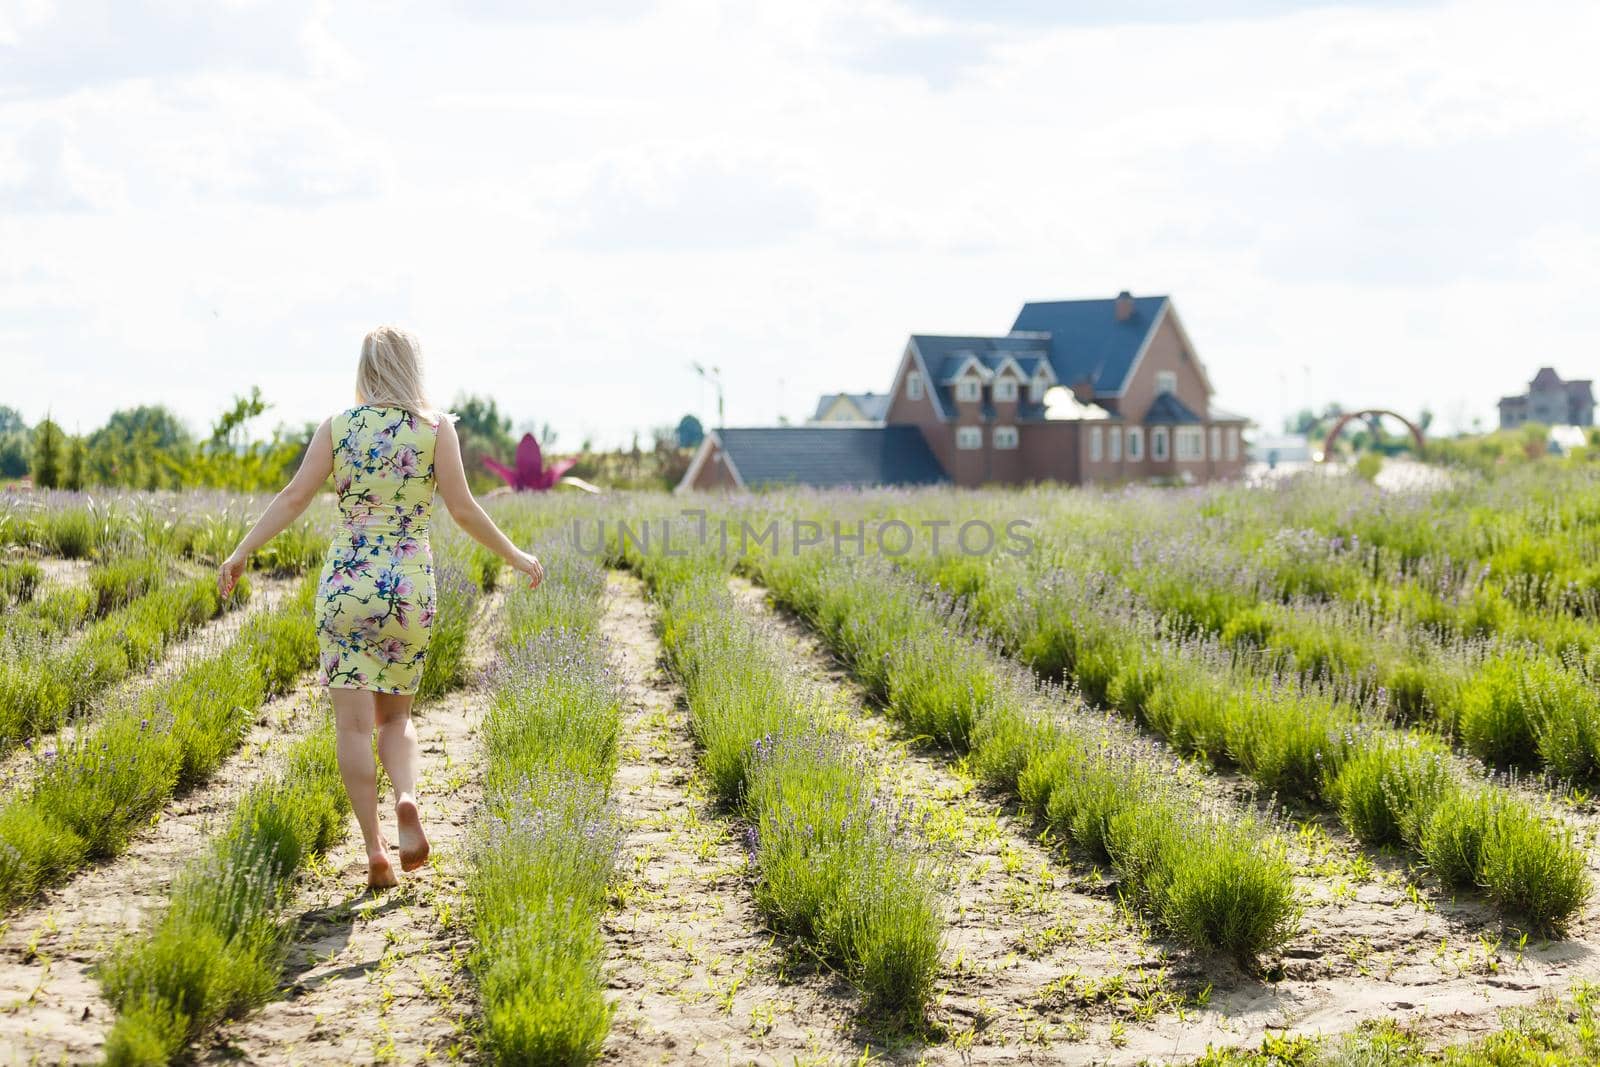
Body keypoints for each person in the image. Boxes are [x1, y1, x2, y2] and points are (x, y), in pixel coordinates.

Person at [218, 326, 545, 889]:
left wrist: (242, 550)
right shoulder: (435, 430)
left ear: (365, 371)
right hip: (408, 592)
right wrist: (516, 556)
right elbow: (465, 510)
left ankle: (374, 852)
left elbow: (294, 497)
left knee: (352, 728)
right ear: (411, 368)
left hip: (347, 590)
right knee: (397, 718)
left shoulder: (338, 428)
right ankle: (409, 799)